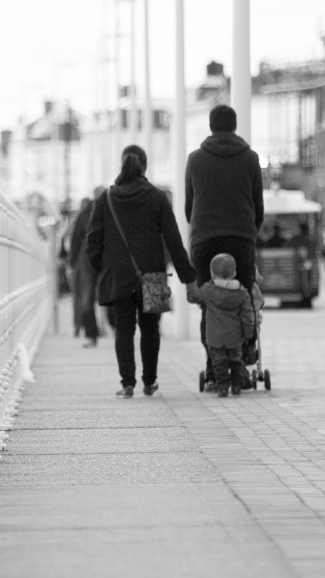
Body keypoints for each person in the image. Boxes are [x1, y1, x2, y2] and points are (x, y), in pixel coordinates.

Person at [86, 146, 195, 398]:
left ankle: (127, 383)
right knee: (150, 328)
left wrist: (103, 268)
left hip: (119, 275)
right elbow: (173, 240)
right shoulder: (156, 197)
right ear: (144, 166)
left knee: (124, 327)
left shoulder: (108, 198)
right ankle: (149, 381)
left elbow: (93, 240)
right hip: (152, 274)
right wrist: (188, 278)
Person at [184, 104, 263, 287]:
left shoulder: (195, 159)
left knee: (208, 301)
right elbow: (258, 206)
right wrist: (249, 233)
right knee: (243, 299)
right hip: (241, 239)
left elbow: (189, 207)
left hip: (204, 240)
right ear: (234, 125)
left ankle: (208, 316)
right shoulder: (251, 158)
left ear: (210, 126)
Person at [186, 252, 259, 397]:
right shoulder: (242, 293)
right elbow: (247, 316)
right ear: (234, 273)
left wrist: (190, 283)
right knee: (236, 360)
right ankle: (237, 385)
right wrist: (248, 333)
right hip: (235, 336)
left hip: (215, 337)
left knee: (219, 362)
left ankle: (222, 387)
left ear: (212, 274)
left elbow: (193, 297)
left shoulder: (208, 290)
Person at [65, 195, 101, 346]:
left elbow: (75, 239)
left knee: (85, 298)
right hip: (91, 261)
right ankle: (91, 331)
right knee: (86, 298)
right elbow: (75, 240)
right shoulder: (94, 214)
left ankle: (89, 332)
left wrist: (72, 262)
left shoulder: (86, 214)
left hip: (86, 261)